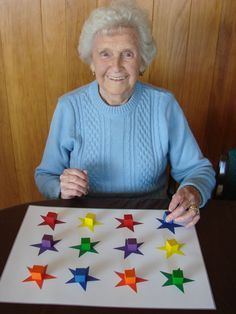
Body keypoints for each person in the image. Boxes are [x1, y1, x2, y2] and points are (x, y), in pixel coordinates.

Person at [35, 0, 215, 227]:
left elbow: (199, 170)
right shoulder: (69, 106)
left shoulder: (163, 105)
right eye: (105, 54)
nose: (117, 66)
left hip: (151, 223)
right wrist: (60, 187)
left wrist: (192, 192)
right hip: (85, 224)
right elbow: (45, 175)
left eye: (127, 54)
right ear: (92, 62)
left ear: (142, 61)